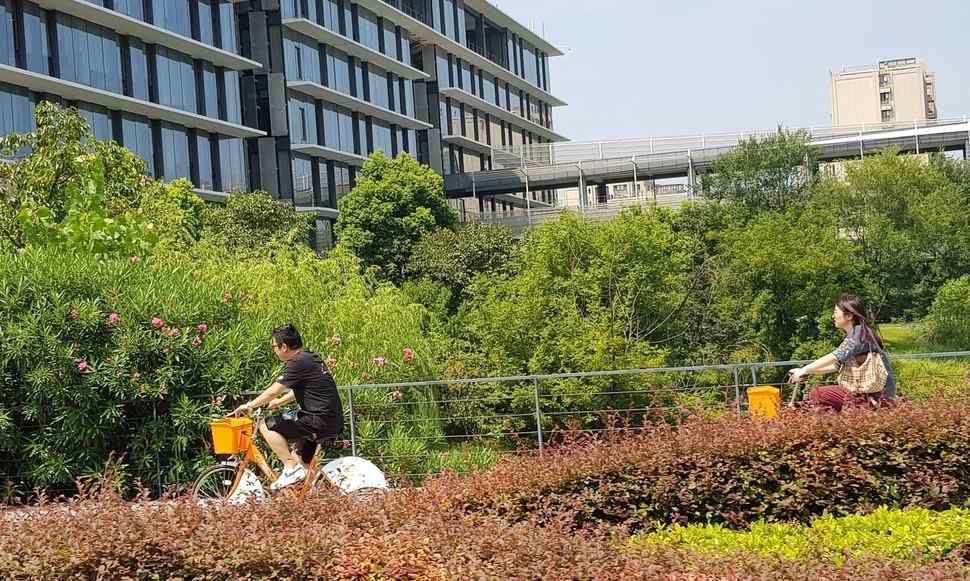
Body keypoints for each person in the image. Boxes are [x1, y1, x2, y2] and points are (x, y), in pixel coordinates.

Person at [233, 324, 343, 490]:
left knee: (265, 425)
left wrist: (250, 406)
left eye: (274, 346)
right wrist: (278, 403)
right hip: (329, 420)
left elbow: (274, 390)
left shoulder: (297, 363)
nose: (274, 351)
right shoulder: (310, 357)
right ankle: (331, 494)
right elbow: (301, 388)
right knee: (301, 460)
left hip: (318, 420)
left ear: (283, 347)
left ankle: (290, 469)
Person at [788, 294, 897, 412]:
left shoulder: (858, 335)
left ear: (849, 315)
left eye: (835, 312)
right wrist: (806, 371)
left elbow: (835, 356)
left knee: (818, 394)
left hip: (877, 397)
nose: (832, 316)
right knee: (820, 401)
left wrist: (804, 370)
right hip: (871, 395)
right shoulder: (859, 333)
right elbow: (836, 366)